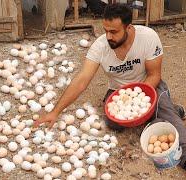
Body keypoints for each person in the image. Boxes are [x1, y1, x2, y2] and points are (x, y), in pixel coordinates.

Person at [33, 4, 186, 169]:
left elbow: (154, 75)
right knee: (114, 123)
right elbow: (82, 80)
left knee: (168, 115)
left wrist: (136, 101)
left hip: (148, 87)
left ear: (128, 27)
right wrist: (55, 112)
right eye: (105, 30)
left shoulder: (148, 37)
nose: (108, 36)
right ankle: (162, 112)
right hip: (118, 92)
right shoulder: (100, 47)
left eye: (113, 32)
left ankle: (183, 151)